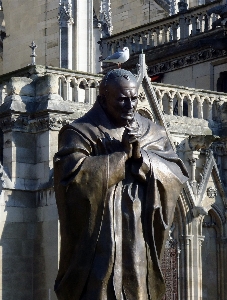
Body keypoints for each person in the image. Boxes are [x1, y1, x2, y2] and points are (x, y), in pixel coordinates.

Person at [54, 69, 188, 300]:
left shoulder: (152, 131)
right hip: (100, 238)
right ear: (103, 98)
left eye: (134, 98)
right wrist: (121, 157)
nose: (130, 105)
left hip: (138, 232)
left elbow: (175, 172)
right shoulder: (80, 132)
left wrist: (142, 158)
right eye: (122, 99)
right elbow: (72, 180)